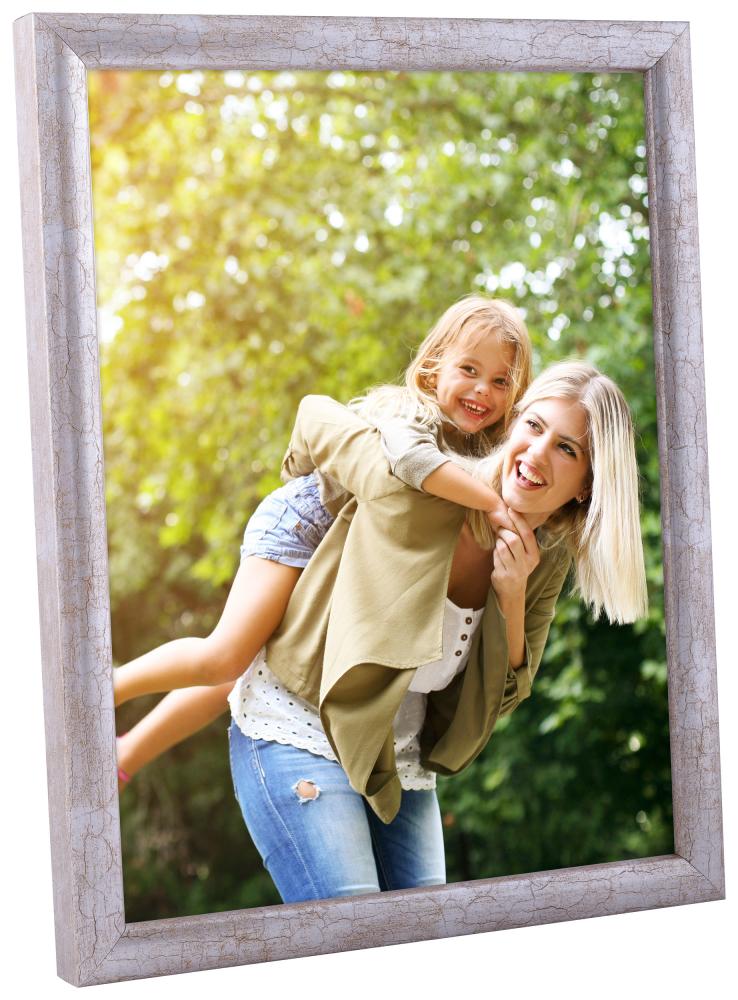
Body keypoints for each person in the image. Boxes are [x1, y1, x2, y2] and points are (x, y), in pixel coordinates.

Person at [120, 361, 648, 905]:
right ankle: (104, 707)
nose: (537, 454)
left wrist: (511, 598)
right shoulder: (433, 482)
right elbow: (319, 419)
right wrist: (311, 468)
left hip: (396, 761)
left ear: (587, 485)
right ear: (513, 426)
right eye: (533, 426)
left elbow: (503, 699)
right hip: (301, 722)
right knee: (357, 931)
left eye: (567, 449)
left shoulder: (546, 561)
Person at [113, 296, 532, 722]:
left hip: (345, 555)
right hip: (304, 525)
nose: (482, 389)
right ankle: (112, 687)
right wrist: (493, 504)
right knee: (225, 657)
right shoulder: (408, 412)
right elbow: (413, 463)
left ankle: (127, 750)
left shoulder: (485, 453)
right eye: (469, 370)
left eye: (500, 382)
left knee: (261, 657)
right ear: (433, 367)